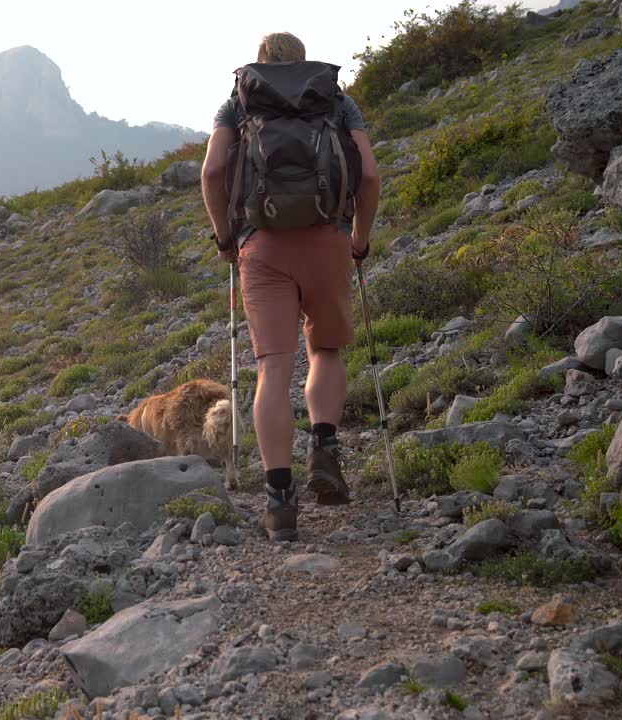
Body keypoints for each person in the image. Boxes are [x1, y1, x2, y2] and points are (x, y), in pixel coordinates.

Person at [200, 32, 381, 541]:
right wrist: (359, 239)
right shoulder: (337, 101)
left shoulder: (238, 103)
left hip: (262, 247)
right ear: (305, 63)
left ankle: (280, 502)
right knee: (325, 349)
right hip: (328, 239)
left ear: (261, 65)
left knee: (272, 371)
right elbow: (368, 176)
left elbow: (213, 170)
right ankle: (324, 448)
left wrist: (225, 238)